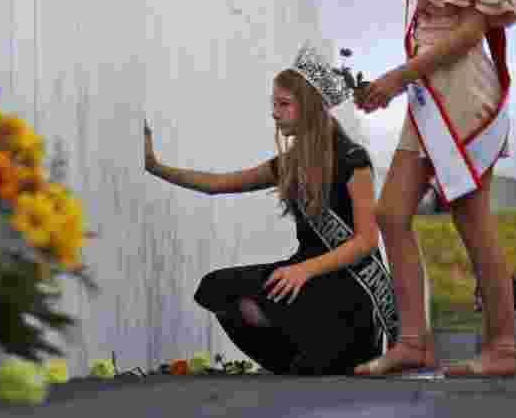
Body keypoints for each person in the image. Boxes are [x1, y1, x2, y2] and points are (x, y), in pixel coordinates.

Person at [352, 0, 516, 377]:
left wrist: (397, 78)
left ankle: (505, 347)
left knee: (471, 217)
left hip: (460, 97)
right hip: (428, 95)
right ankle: (413, 341)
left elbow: (469, 35)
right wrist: (393, 84)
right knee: (390, 211)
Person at [144, 44, 399, 375]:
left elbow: (365, 241)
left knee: (280, 299)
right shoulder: (293, 163)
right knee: (220, 289)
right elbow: (218, 184)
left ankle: (325, 353)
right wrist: (155, 166)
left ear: (308, 107)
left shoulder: (353, 159)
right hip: (305, 281)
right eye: (274, 104)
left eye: (284, 104)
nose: (275, 113)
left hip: (350, 289)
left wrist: (303, 270)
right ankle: (296, 360)